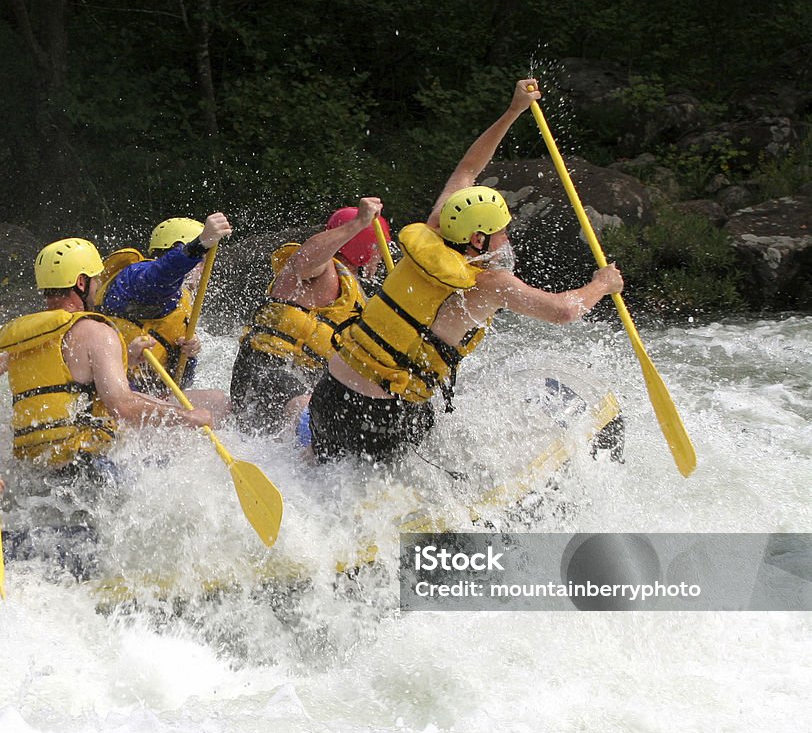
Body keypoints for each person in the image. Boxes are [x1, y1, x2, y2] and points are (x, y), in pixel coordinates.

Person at [307, 78, 625, 464]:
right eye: (501, 232)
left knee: (328, 478)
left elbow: (467, 170)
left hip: (328, 397)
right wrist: (601, 284)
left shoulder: (432, 230)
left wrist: (513, 111)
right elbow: (564, 311)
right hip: (381, 418)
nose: (507, 240)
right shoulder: (491, 284)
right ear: (477, 239)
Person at [0, 238, 212, 472]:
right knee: (168, 461)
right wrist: (187, 417)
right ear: (81, 282)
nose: (99, 285)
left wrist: (126, 359)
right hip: (87, 468)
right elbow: (123, 407)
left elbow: (67, 381)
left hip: (31, 469)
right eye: (96, 279)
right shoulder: (97, 332)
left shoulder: (23, 340)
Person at [230, 197, 390, 434]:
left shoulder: (358, 298)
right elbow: (303, 261)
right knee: (312, 410)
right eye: (378, 247)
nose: (380, 256)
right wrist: (358, 223)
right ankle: (316, 458)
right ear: (366, 247)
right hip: (265, 371)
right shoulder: (321, 270)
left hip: (302, 378)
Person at [96, 213, 232, 423]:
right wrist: (199, 245)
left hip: (152, 395)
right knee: (188, 422)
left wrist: (186, 354)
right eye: (201, 261)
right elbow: (159, 277)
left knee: (219, 401)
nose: (203, 269)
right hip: (122, 400)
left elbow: (179, 382)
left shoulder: (180, 299)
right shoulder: (135, 278)